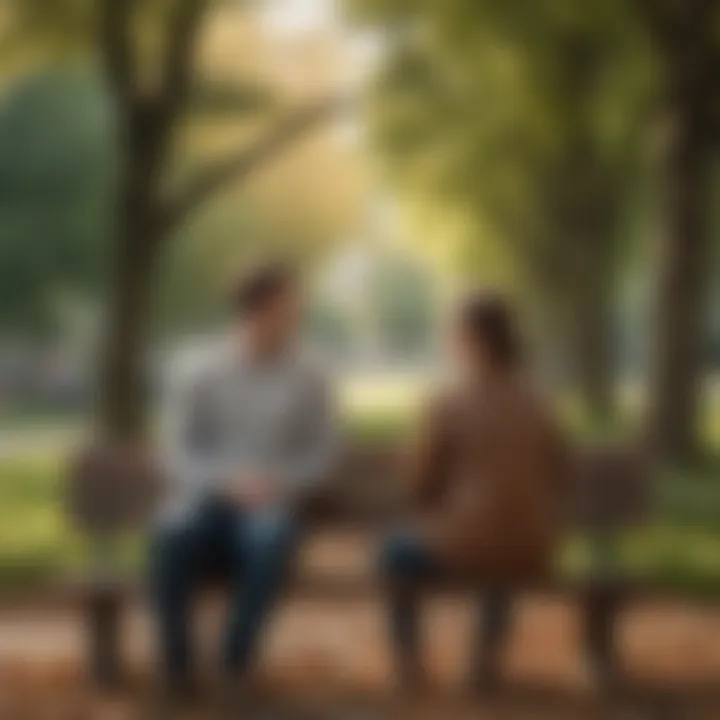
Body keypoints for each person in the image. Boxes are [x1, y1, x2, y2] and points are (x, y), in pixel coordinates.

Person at [150, 260, 338, 696]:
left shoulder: (310, 375)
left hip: (271, 503)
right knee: (173, 531)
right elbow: (176, 450)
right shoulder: (199, 369)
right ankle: (177, 668)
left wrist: (279, 483)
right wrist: (225, 481)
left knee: (270, 539)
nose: (295, 318)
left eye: (295, 310)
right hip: (206, 498)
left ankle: (235, 664)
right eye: (286, 309)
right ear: (253, 311)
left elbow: (323, 453)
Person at [379, 291, 570, 692]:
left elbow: (420, 485)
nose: (448, 343)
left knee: (393, 553)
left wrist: (437, 499)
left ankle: (408, 663)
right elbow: (562, 473)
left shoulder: (449, 401)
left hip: (469, 545)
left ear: (472, 340)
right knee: (500, 543)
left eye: (452, 334)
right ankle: (484, 657)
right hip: (534, 546)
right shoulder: (542, 402)